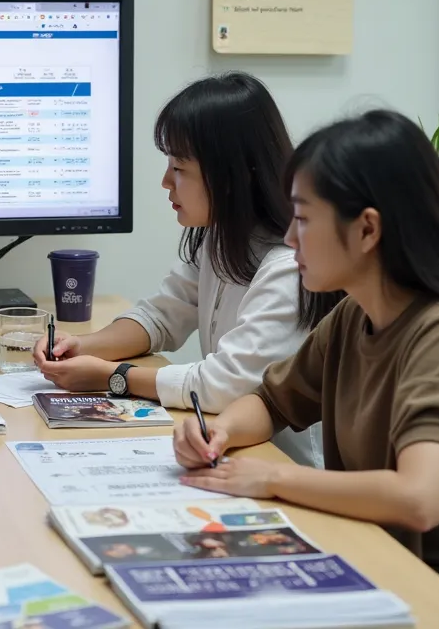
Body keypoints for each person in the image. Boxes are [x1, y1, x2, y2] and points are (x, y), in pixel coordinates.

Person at [173, 109, 439, 627]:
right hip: (374, 563)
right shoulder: (354, 316)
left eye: (304, 218)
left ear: (366, 229)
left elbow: (419, 498)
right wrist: (217, 432)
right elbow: (271, 402)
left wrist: (272, 477)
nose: (290, 240)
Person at [34, 72, 342, 467]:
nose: (165, 182)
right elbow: (161, 316)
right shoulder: (221, 238)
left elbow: (224, 386)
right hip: (227, 453)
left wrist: (112, 376)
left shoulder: (288, 264)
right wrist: (82, 347)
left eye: (179, 167)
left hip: (280, 463)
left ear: (231, 176)